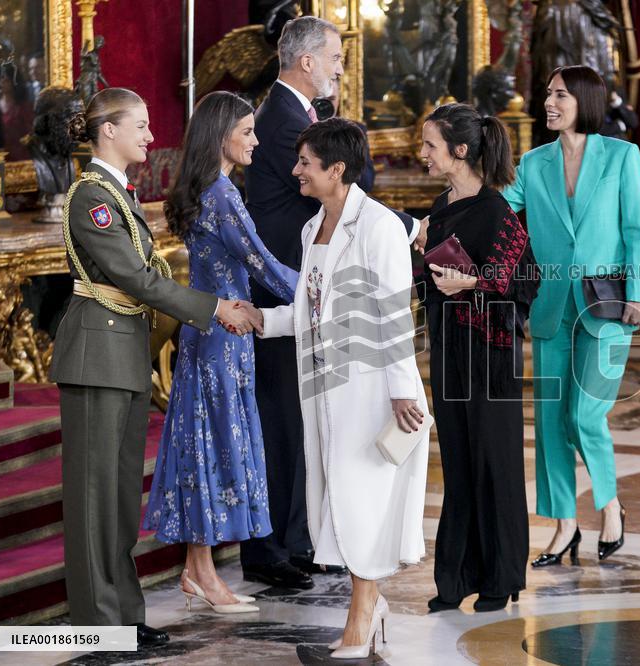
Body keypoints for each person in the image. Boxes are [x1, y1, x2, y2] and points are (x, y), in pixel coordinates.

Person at [48, 87, 259, 644]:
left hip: (122, 354)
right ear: (108, 131)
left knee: (118, 496)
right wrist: (214, 308)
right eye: (138, 125)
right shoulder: (89, 196)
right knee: (95, 500)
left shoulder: (120, 194)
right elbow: (136, 279)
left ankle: (124, 617)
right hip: (97, 357)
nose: (149, 134)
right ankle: (97, 628)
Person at [243, 15, 419, 585]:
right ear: (307, 61)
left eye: (308, 164)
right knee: (287, 427)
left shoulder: (302, 118)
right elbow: (307, 207)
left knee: (311, 433)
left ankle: (308, 540)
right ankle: (278, 546)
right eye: (336, 55)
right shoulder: (284, 119)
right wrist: (404, 225)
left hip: (310, 296)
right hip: (289, 284)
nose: (342, 64)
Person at [256, 118, 428, 659]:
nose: (296, 171)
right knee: (337, 494)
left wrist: (402, 390)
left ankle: (362, 612)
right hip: (325, 388)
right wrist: (259, 320)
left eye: (306, 162)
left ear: (337, 169)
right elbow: (309, 312)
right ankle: (367, 607)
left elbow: (393, 314)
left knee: (360, 497)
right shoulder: (313, 230)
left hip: (374, 387)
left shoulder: (377, 227)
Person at [142, 92, 299, 613]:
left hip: (209, 338)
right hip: (219, 345)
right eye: (248, 132)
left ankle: (193, 570)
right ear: (221, 135)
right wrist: (326, 287)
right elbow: (263, 265)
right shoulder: (223, 195)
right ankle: (207, 576)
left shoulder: (210, 188)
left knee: (203, 446)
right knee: (209, 451)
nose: (256, 140)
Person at [502, 65, 640, 566]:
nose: (549, 102)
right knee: (549, 420)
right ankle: (564, 524)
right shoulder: (533, 161)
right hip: (550, 306)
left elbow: (636, 228)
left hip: (608, 303)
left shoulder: (621, 156)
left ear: (584, 100)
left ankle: (610, 507)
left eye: (560, 95)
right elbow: (501, 209)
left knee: (584, 414)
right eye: (548, 94)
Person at [420, 103, 538, 612]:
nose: (421, 153)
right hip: (449, 351)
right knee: (459, 466)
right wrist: (421, 253)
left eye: (429, 145)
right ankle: (455, 579)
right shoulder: (439, 209)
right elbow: (429, 284)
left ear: (460, 151)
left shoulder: (496, 211)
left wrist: (470, 282)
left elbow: (526, 282)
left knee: (495, 463)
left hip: (490, 355)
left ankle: (501, 576)